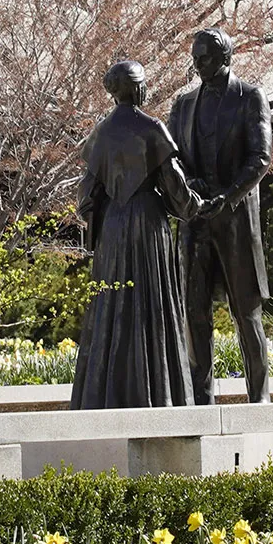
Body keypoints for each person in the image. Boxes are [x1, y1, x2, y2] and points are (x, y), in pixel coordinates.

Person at [69, 60, 202, 410]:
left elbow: (85, 195)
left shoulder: (101, 132)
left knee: (111, 307)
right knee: (152, 306)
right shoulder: (152, 128)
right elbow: (175, 186)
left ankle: (103, 396)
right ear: (136, 88)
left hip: (113, 228)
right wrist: (196, 207)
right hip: (148, 226)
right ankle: (159, 395)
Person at [169, 29, 273, 404]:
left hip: (235, 222)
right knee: (195, 312)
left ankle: (259, 396)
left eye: (205, 58)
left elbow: (260, 158)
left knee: (246, 312)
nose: (197, 65)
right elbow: (172, 160)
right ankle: (201, 398)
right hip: (195, 222)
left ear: (225, 57)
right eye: (195, 58)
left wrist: (227, 197)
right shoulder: (183, 105)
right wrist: (191, 188)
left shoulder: (249, 97)